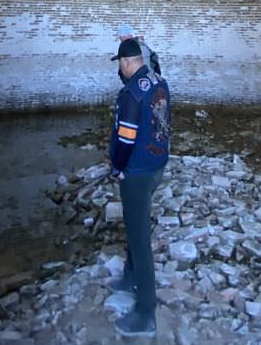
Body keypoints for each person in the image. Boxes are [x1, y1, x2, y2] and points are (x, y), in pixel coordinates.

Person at [108, 39, 171, 339]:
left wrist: (117, 168)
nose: (119, 69)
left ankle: (146, 312)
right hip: (157, 165)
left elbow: (125, 139)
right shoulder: (159, 80)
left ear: (125, 62)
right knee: (135, 227)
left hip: (136, 173)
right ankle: (129, 276)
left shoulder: (130, 94)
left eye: (120, 63)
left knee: (139, 237)